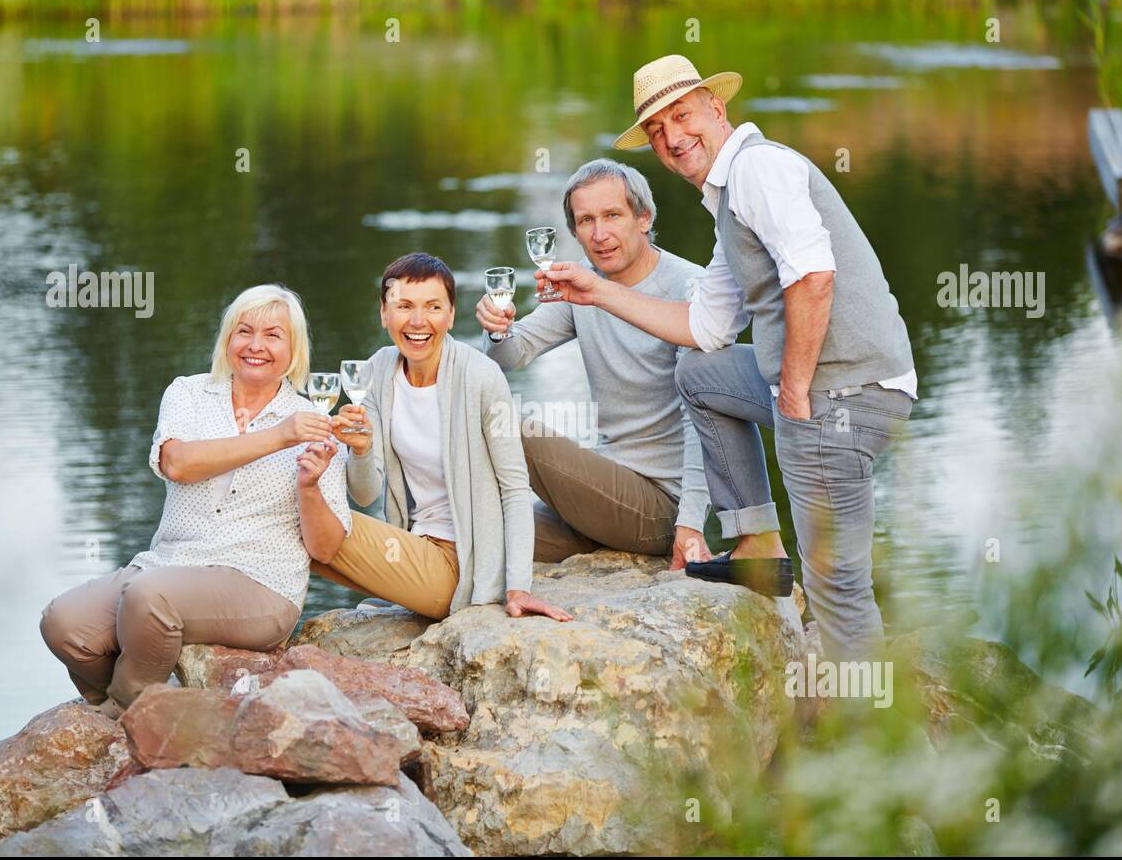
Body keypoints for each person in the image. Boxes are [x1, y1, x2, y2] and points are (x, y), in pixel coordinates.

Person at [540, 55, 917, 661]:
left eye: (681, 116)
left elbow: (814, 277)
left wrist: (793, 394)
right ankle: (756, 546)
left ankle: (878, 741)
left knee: (837, 584)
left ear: (717, 109)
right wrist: (597, 290)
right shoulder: (729, 203)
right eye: (657, 131)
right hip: (835, 388)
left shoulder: (756, 171)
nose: (672, 137)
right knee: (701, 372)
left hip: (847, 393)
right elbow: (704, 328)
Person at [40, 284, 352, 718]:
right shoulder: (188, 393)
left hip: (260, 581)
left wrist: (309, 487)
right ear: (227, 340)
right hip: (172, 562)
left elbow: (325, 548)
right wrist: (279, 436)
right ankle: (146, 700)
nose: (256, 345)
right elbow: (178, 463)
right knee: (64, 623)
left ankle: (128, 716)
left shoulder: (313, 419)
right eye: (244, 331)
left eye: (273, 335)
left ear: (295, 350)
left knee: (150, 599)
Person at [475, 158, 711, 568]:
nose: (599, 234)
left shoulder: (690, 286)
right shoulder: (585, 284)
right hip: (604, 496)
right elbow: (510, 356)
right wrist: (497, 329)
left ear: (643, 218)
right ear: (574, 232)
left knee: (503, 421)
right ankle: (391, 608)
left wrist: (690, 526)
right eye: (586, 221)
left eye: (612, 215)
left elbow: (706, 422)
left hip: (662, 509)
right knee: (478, 532)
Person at [316, 252, 571, 623]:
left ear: (451, 315)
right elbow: (366, 494)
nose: (418, 321)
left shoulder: (481, 376)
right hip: (412, 545)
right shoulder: (377, 370)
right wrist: (360, 449)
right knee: (305, 529)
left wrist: (518, 588)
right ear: (384, 314)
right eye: (404, 306)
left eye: (433, 307)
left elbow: (515, 488)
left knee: (311, 520)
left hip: (459, 564)